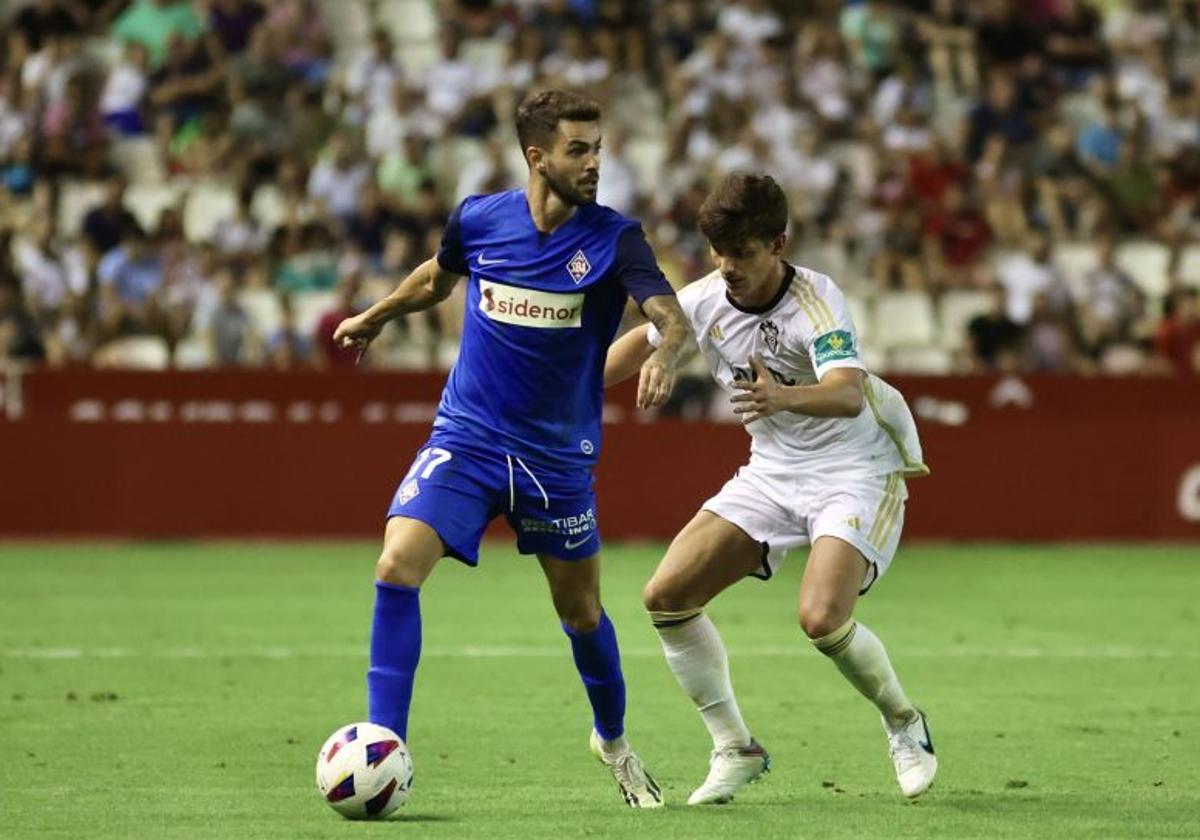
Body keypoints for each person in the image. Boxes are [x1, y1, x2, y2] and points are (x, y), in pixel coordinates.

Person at [332, 90, 690, 808]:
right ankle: (384, 749)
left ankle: (613, 743)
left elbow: (669, 315)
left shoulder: (615, 239)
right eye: (577, 150)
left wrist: (666, 353)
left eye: (597, 148)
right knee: (397, 563)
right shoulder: (478, 218)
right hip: (467, 437)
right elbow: (438, 278)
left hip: (556, 459)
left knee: (582, 614)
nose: (594, 163)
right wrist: (375, 316)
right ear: (537, 156)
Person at [604, 172, 936, 805]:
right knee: (665, 596)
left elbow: (844, 392)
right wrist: (566, 388)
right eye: (718, 251)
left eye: (743, 252)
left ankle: (903, 722)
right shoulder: (704, 298)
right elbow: (637, 346)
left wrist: (778, 395)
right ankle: (735, 747)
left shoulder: (817, 298)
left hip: (853, 470)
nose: (727, 266)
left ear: (777, 244)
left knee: (820, 618)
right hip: (774, 471)